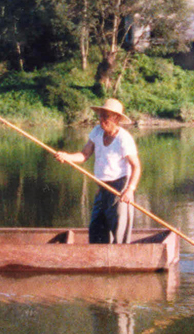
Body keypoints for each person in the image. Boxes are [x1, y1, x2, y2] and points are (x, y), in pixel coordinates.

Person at [54, 97, 140, 244]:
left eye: (105, 117)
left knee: (119, 230)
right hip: (102, 186)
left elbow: (136, 166)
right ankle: (99, 259)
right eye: (100, 116)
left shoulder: (123, 139)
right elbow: (84, 155)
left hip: (120, 187)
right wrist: (67, 157)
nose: (101, 120)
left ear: (116, 118)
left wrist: (130, 189)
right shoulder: (97, 132)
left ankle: (120, 260)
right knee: (96, 228)